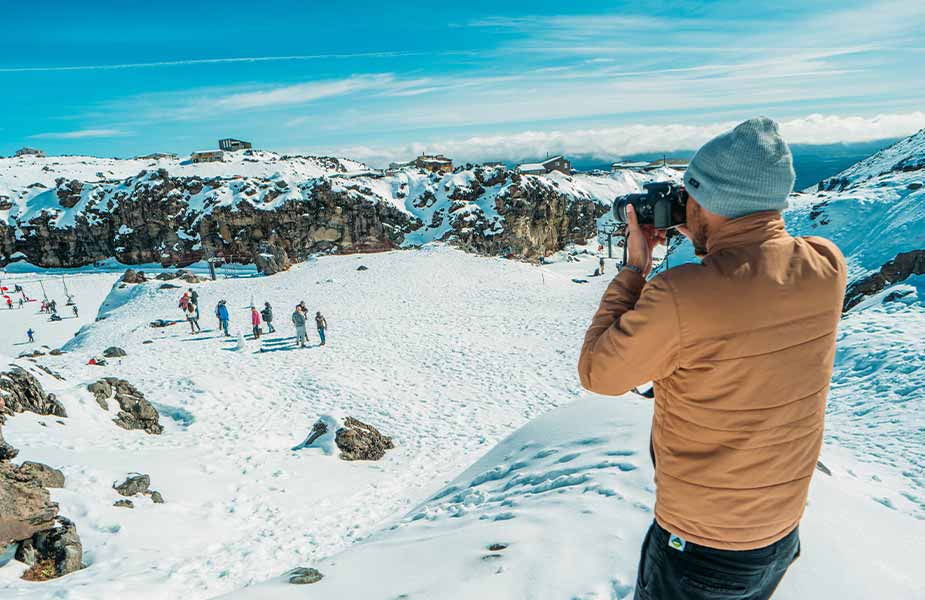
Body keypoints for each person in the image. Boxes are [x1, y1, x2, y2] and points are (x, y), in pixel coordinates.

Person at [577, 118, 846, 600]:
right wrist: (707, 225)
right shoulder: (826, 264)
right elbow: (750, 293)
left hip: (701, 546)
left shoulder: (681, 295)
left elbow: (599, 373)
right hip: (779, 532)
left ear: (709, 201)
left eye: (691, 198)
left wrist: (634, 269)